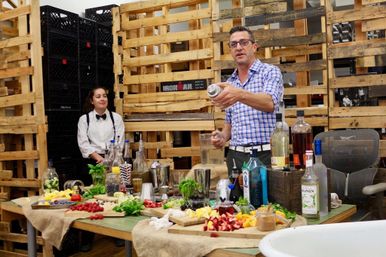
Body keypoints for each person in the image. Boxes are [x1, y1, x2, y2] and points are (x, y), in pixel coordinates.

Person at [210, 26, 283, 174]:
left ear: (254, 47)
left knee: (266, 197)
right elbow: (230, 122)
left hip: (265, 155)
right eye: (233, 44)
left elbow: (269, 103)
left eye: (244, 42)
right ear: (230, 50)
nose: (238, 47)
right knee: (237, 198)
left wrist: (239, 94)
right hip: (235, 157)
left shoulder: (269, 72)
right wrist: (222, 137)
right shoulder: (231, 82)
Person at [76, 86, 125, 252]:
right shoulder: (85, 119)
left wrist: (110, 161)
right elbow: (83, 143)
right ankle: (87, 237)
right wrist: (99, 159)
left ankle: (117, 233)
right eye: (98, 96)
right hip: (92, 162)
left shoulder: (116, 118)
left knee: (113, 196)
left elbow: (119, 141)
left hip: (113, 160)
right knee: (91, 198)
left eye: (104, 96)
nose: (102, 99)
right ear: (92, 100)